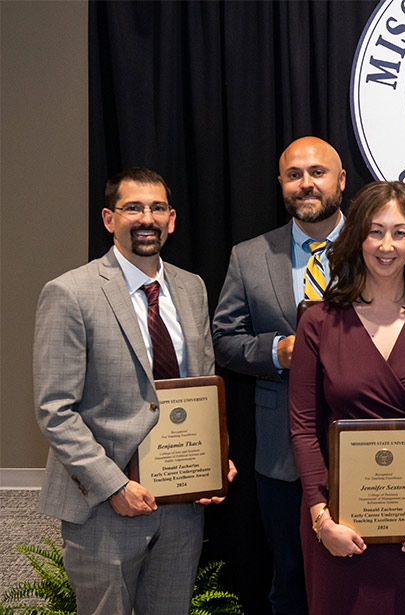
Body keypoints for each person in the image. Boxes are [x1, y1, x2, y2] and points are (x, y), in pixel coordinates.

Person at [34, 168, 236, 614]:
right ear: (109, 219)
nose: (147, 217)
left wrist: (215, 457)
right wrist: (113, 486)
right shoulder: (70, 293)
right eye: (133, 207)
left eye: (157, 207)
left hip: (182, 507)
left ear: (173, 219)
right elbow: (55, 411)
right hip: (104, 507)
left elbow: (200, 388)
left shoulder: (192, 288)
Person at [289, 181, 405, 614]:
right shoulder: (318, 321)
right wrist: (321, 517)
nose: (386, 245)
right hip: (337, 522)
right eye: (374, 231)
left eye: (399, 232)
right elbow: (303, 427)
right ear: (357, 239)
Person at [212, 135, 346, 613]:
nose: (306, 184)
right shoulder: (249, 256)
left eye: (317, 172)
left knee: (360, 578)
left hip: (368, 437)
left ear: (341, 181)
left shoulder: (377, 246)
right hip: (280, 448)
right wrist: (276, 351)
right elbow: (224, 340)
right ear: (281, 184)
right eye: (294, 175)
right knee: (290, 579)